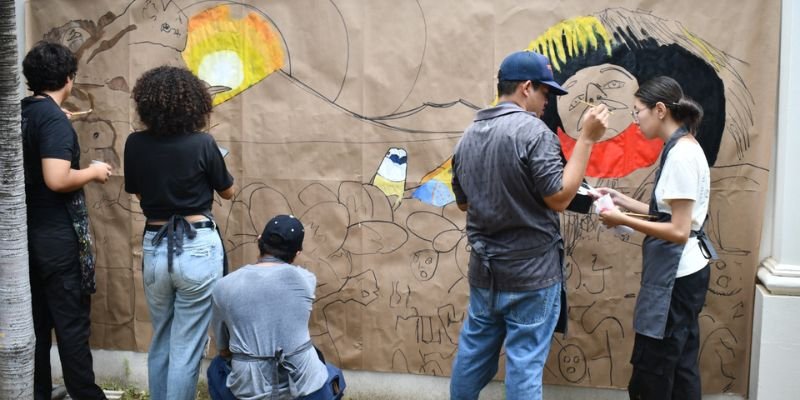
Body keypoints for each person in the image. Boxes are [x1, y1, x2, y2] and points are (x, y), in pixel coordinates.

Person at [448, 50, 609, 400]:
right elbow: (560, 198)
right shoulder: (534, 134)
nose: (546, 104)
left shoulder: (468, 137)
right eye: (544, 94)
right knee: (523, 365)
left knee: (473, 354)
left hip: (485, 273)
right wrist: (586, 139)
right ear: (525, 87)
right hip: (532, 275)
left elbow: (464, 202)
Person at [597, 76, 716, 400]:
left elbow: (677, 231)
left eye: (638, 112)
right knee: (681, 369)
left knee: (654, 369)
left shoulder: (680, 155)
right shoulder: (684, 146)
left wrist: (621, 220)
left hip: (675, 278)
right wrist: (623, 203)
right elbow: (669, 214)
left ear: (660, 110)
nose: (635, 120)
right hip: (686, 272)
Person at [124, 65, 235, 400]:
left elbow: (141, 194)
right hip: (197, 245)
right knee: (187, 346)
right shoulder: (204, 143)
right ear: (194, 104)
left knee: (162, 338)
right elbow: (228, 192)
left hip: (156, 246)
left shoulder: (134, 143)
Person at [21, 41, 112, 400]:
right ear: (69, 79)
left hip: (24, 239)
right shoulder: (53, 122)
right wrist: (92, 171)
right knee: (71, 325)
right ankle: (86, 395)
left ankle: (37, 392)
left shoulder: (23, 112)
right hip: (56, 240)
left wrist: (58, 122)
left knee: (37, 326)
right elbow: (56, 179)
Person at [207, 214, 346, 400]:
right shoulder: (306, 280)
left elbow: (224, 350)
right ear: (297, 253)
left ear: (259, 241)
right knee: (332, 374)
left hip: (249, 390)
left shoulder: (223, 287)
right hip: (303, 389)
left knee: (216, 368)